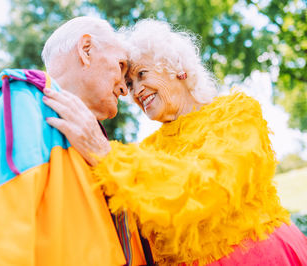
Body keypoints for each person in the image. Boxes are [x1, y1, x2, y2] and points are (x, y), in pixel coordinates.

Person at [44, 19, 307, 265]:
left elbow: (208, 187)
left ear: (177, 67)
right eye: (129, 84)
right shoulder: (145, 150)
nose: (135, 91)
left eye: (142, 74)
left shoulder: (236, 113)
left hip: (262, 257)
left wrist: (105, 154)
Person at [0, 16, 150, 266]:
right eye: (121, 66)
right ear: (86, 50)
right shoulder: (22, 101)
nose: (125, 89)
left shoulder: (95, 141)